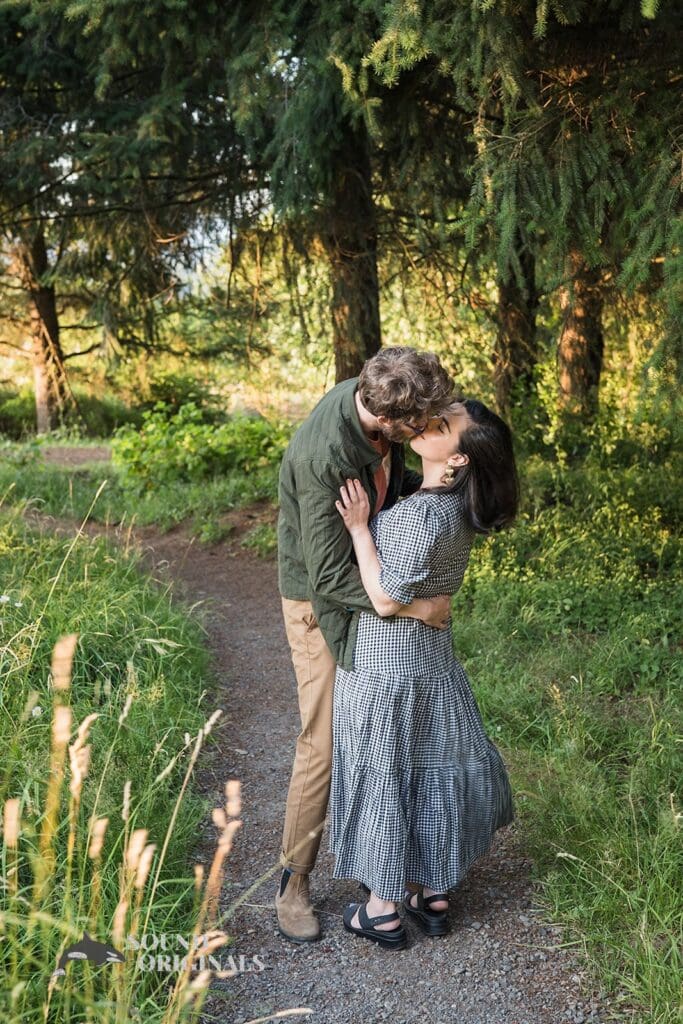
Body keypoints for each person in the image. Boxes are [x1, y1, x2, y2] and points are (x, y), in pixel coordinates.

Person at [275, 347, 458, 943]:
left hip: (366, 583)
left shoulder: (384, 394)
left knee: (381, 723)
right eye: (423, 425)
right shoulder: (324, 455)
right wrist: (412, 606)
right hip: (317, 598)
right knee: (324, 738)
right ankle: (294, 881)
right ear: (388, 421)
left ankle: (385, 862)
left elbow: (389, 488)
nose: (429, 429)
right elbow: (329, 579)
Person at [331, 398, 519, 950]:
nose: (428, 423)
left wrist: (362, 529)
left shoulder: (420, 514)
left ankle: (381, 909)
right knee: (429, 768)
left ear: (458, 459)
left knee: (384, 775)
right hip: (432, 663)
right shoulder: (458, 510)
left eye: (443, 425)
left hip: (385, 666)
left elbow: (387, 600)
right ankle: (431, 893)